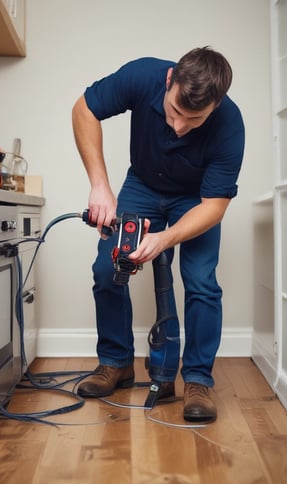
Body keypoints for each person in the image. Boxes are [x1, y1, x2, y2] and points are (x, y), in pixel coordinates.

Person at [72, 47, 245, 423]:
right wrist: (100, 185)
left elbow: (214, 205)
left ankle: (197, 379)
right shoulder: (143, 75)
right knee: (108, 269)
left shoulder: (230, 123)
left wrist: (166, 239)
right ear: (169, 82)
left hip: (196, 198)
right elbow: (84, 109)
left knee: (201, 281)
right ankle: (116, 363)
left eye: (194, 119)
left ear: (215, 107)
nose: (179, 126)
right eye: (174, 112)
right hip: (143, 185)